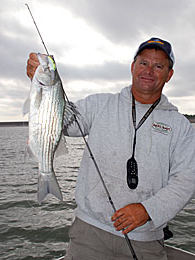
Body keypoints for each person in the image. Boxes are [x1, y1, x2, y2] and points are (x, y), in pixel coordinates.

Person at [27, 37, 195, 260]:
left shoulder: (180, 125)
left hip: (145, 239)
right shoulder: (100, 104)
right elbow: (65, 124)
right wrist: (45, 87)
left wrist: (148, 210)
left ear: (169, 74)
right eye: (143, 63)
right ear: (132, 67)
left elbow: (186, 179)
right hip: (89, 232)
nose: (149, 70)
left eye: (159, 66)